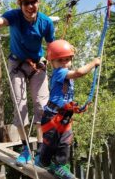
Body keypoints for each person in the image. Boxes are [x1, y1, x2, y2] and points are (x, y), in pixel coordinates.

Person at [0, 0, 55, 166]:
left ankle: (40, 149)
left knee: (42, 106)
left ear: (38, 2)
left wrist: (50, 61)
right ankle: (25, 148)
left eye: (34, 1)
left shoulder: (46, 23)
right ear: (20, 4)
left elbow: (51, 48)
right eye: (26, 3)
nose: (30, 6)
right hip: (17, 64)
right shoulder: (14, 16)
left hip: (37, 65)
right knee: (20, 106)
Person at [35, 40, 101, 179]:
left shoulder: (65, 71)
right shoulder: (59, 73)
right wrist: (93, 62)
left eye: (67, 59)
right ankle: (43, 161)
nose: (64, 63)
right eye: (60, 60)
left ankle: (60, 166)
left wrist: (71, 49)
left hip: (64, 116)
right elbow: (79, 72)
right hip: (52, 117)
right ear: (53, 62)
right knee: (50, 144)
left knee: (65, 142)